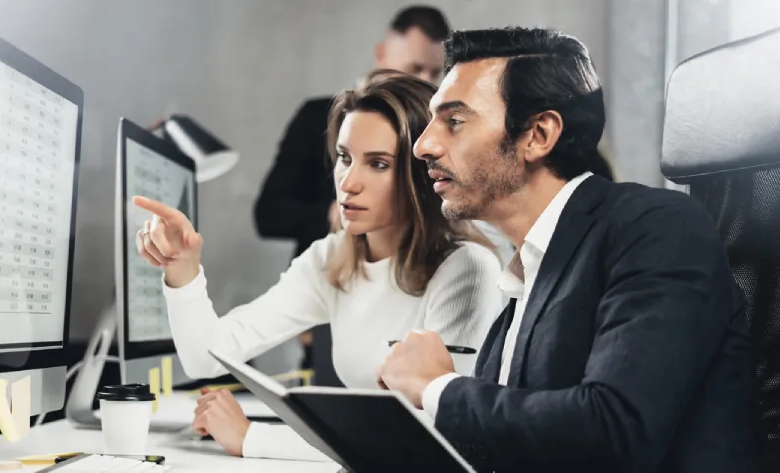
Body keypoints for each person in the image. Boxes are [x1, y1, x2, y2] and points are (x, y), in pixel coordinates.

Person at [378, 28, 755, 472]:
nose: (424, 145)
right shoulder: (527, 276)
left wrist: (436, 388)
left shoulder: (658, 228)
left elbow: (613, 430)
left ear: (538, 134)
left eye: (454, 121)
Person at [133, 72, 505, 462]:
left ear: (421, 174)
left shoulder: (467, 270)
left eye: (378, 164)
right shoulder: (333, 258)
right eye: (345, 158)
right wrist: (182, 269)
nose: (348, 183)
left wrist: (251, 439)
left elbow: (434, 439)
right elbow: (206, 357)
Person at [252, 5, 453, 383]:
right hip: (329, 313)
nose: (427, 82)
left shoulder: (433, 140)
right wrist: (342, 212)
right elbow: (268, 213)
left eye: (434, 73)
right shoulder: (317, 118)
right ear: (382, 56)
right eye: (414, 69)